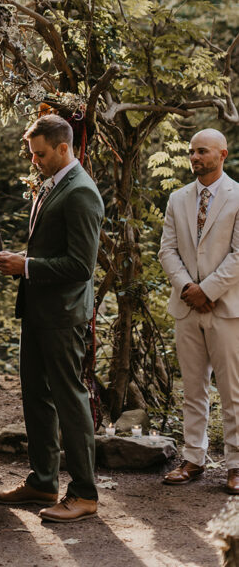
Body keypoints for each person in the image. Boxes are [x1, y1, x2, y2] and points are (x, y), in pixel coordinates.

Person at [0, 113, 104, 522]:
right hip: (37, 311)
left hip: (63, 315)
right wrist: (24, 265)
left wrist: (27, 266)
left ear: (63, 148)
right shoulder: (52, 185)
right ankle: (42, 481)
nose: (34, 161)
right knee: (36, 397)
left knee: (70, 400)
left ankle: (85, 494)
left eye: (40, 154)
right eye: (32, 154)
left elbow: (81, 266)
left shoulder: (81, 192)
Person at [158, 128, 239, 495]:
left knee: (232, 391)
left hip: (227, 308)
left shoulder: (238, 197)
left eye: (202, 151)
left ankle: (236, 465)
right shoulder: (177, 198)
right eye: (191, 152)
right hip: (187, 307)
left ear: (222, 154)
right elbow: (167, 251)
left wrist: (208, 290)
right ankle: (193, 458)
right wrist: (189, 289)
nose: (194, 158)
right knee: (193, 389)